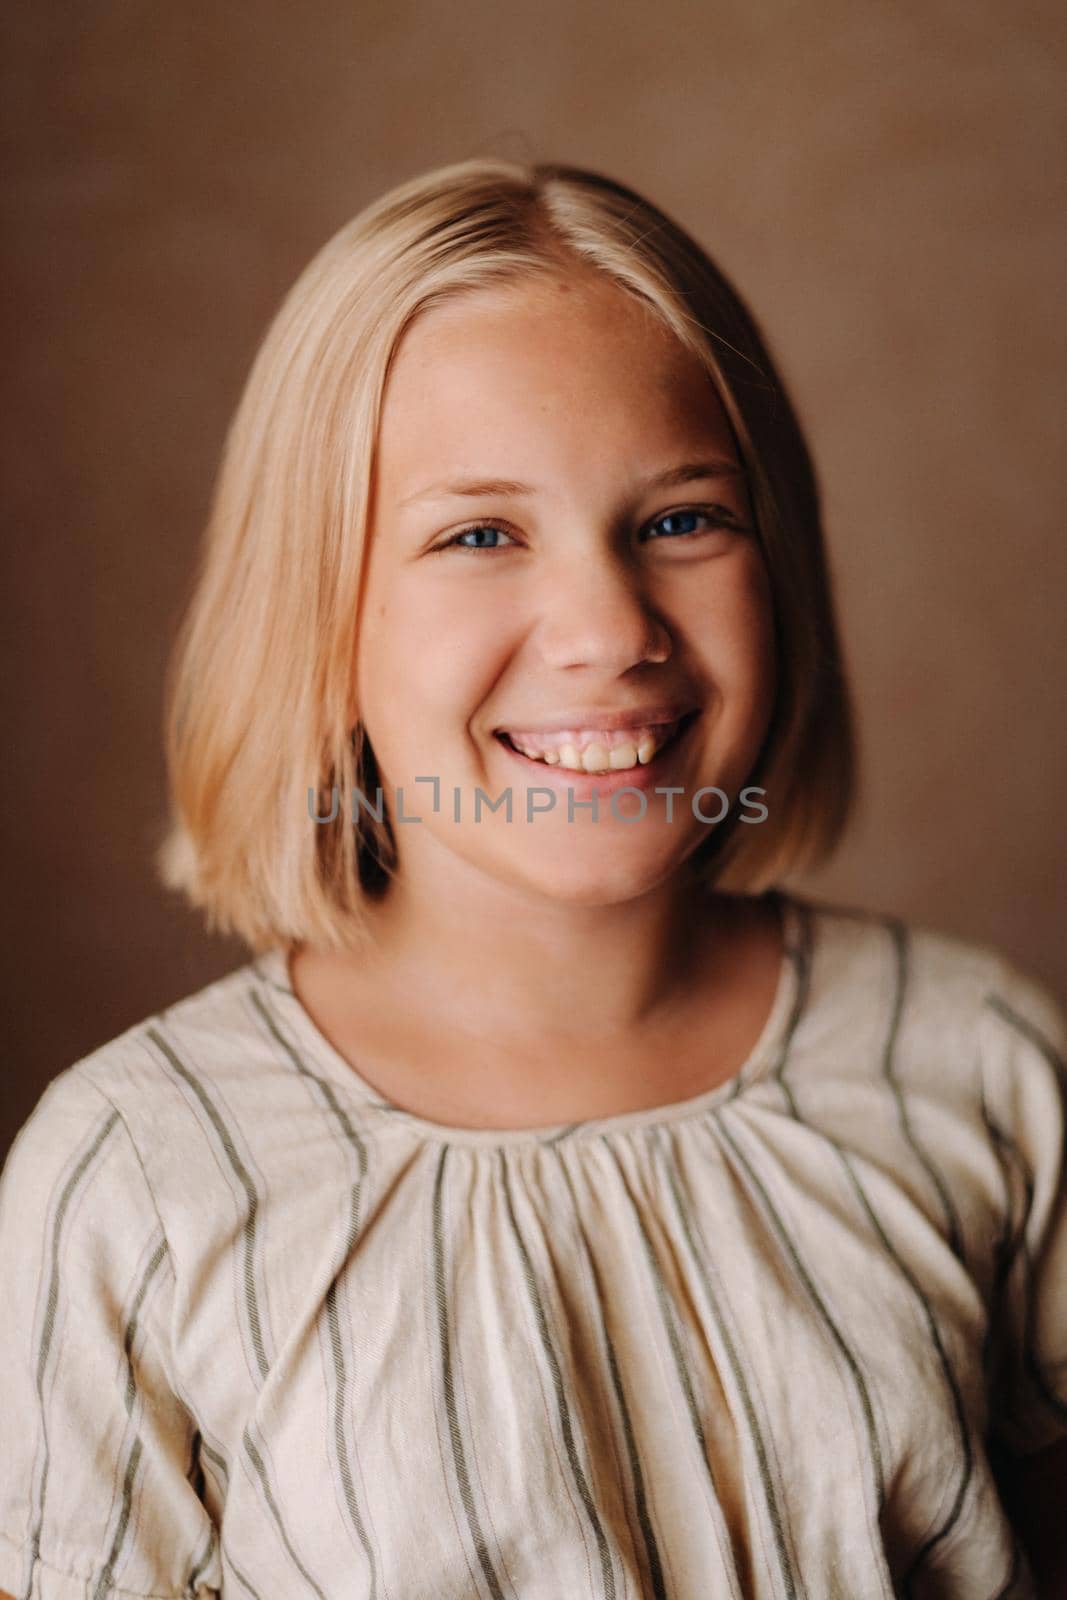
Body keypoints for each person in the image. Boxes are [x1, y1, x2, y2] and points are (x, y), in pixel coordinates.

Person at [0, 159, 1064, 1600]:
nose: (607, 630)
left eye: (683, 518)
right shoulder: (137, 1179)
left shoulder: (983, 1067)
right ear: (317, 615)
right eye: (479, 535)